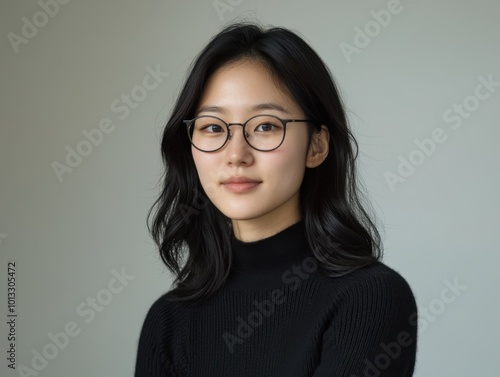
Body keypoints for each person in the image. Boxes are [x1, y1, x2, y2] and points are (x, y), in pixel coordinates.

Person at [134, 22, 418, 377]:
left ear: (316, 146)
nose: (236, 154)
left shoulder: (370, 298)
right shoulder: (168, 322)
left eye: (266, 126)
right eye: (213, 127)